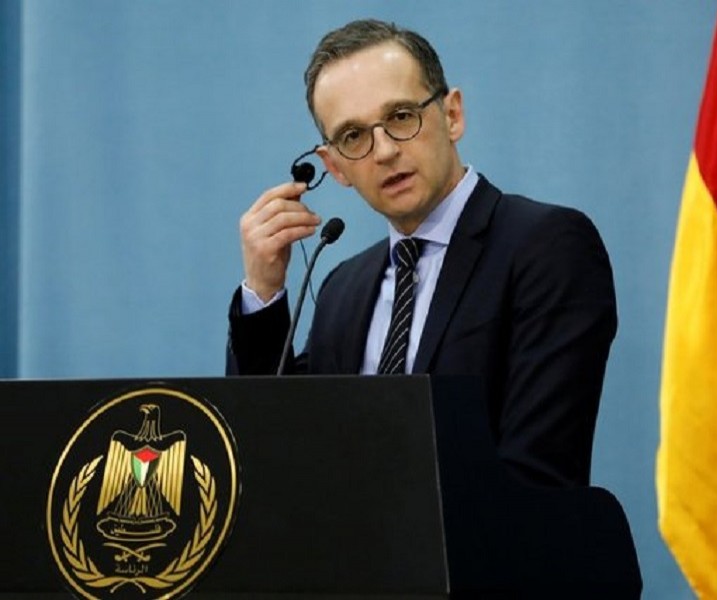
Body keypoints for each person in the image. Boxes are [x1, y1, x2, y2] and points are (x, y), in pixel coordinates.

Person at [226, 19, 617, 488]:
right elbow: (279, 447)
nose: (385, 150)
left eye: (401, 116)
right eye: (353, 136)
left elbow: (537, 472)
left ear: (452, 115)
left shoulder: (546, 246)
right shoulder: (343, 289)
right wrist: (264, 291)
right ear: (334, 167)